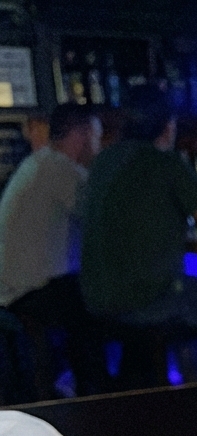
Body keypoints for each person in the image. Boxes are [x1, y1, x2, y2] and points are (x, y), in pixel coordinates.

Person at [80, 84, 197, 379]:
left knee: (194, 313)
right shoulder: (166, 163)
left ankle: (189, 402)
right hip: (153, 298)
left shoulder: (102, 162)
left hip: (97, 299)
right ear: (168, 126)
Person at [0, 104, 103, 398]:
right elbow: (101, 217)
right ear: (81, 135)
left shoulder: (39, 164)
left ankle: (80, 389)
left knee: (83, 294)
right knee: (102, 300)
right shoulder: (59, 168)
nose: (98, 146)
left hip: (13, 290)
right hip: (25, 293)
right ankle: (96, 396)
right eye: (96, 136)